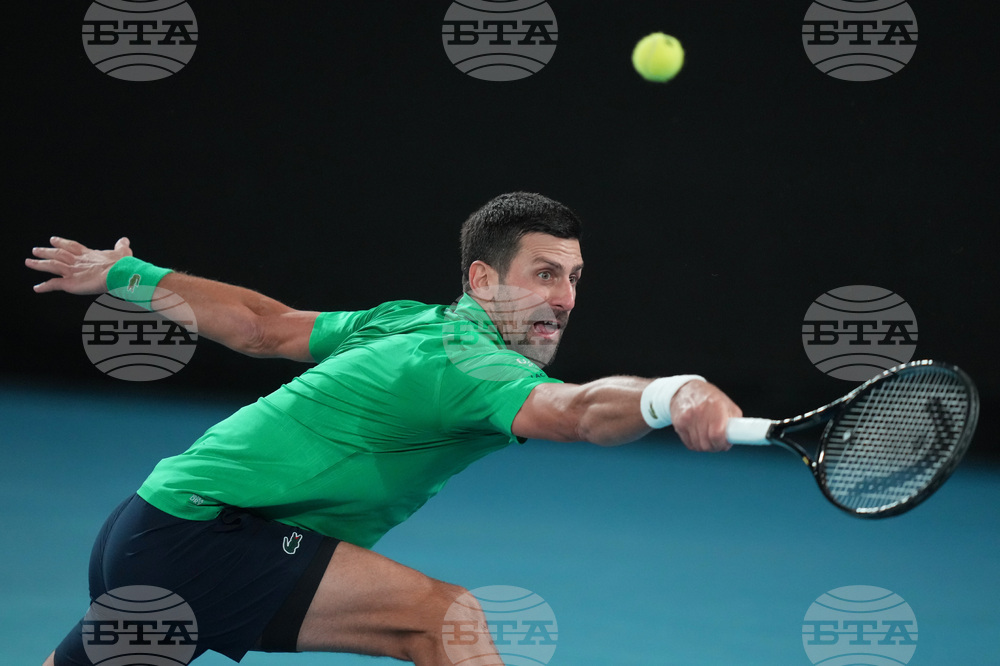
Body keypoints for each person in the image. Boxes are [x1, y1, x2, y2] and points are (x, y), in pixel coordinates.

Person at [26, 192, 741, 665]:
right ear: (483, 281)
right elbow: (579, 412)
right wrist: (672, 393)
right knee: (448, 621)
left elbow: (260, 327)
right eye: (545, 275)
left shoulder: (406, 320)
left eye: (574, 277)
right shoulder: (469, 364)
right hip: (201, 542)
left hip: (146, 527)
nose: (565, 298)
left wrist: (126, 275)